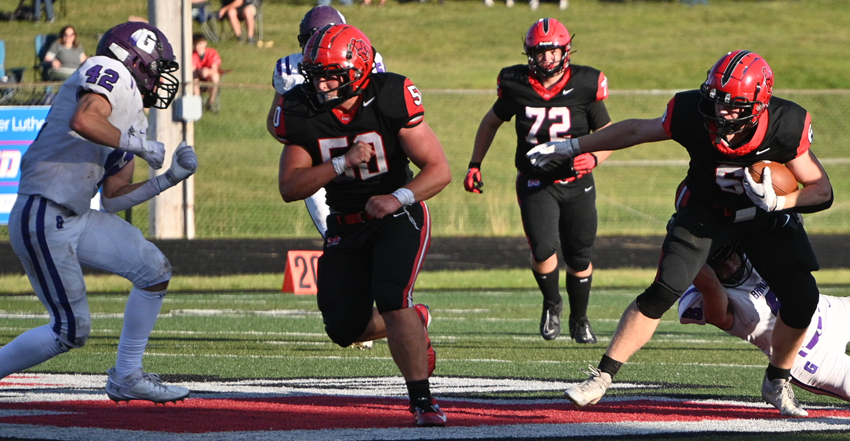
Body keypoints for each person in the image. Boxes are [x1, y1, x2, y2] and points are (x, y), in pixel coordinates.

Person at [530, 50, 834, 416]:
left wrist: (780, 202)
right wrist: (571, 145)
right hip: (706, 211)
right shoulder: (691, 110)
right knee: (663, 291)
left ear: (760, 101)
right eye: (718, 99)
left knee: (802, 297)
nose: (723, 111)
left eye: (735, 105)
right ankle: (602, 376)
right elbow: (636, 130)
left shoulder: (786, 123)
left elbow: (821, 189)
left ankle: (777, 380)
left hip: (762, 215)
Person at [0, 21, 196, 404]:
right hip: (43, 209)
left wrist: (170, 178)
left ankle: (127, 376)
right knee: (71, 330)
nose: (160, 81)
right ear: (135, 60)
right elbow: (84, 119)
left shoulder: (134, 114)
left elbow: (113, 196)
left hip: (75, 215)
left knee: (154, 271)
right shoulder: (108, 71)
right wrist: (135, 145)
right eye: (157, 69)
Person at [274, 24, 452, 426]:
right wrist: (340, 162)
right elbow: (290, 187)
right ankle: (415, 319)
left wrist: (396, 197)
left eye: (331, 73)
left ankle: (422, 401)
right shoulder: (301, 108)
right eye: (316, 73)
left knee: (391, 297)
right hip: (344, 222)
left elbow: (438, 170)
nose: (321, 83)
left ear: (358, 69)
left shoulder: (391, 95)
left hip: (397, 214)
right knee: (343, 327)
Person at [466, 18, 612, 343]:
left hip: (577, 181)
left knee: (579, 256)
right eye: (539, 53)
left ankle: (580, 318)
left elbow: (606, 134)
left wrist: (597, 157)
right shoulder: (515, 83)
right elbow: (490, 123)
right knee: (544, 248)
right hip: (535, 180)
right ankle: (552, 303)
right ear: (529, 54)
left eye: (552, 52)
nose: (546, 59)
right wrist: (475, 164)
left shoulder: (586, 83)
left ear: (566, 51)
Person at [679, 240, 850, 411]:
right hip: (811, 356)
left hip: (830, 310)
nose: (731, 267)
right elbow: (709, 285)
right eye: (721, 266)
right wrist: (687, 249)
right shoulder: (712, 297)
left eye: (731, 257)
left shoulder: (754, 247)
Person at [267, 5, 385, 239]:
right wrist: (301, 143)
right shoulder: (290, 68)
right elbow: (275, 121)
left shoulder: (364, 57)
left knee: (375, 223)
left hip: (362, 152)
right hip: (318, 157)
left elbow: (377, 108)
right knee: (333, 230)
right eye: (312, 38)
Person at [192, 33, 223, 112]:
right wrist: (199, 71)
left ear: (205, 43)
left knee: (215, 76)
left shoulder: (211, 53)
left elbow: (214, 68)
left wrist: (207, 71)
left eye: (200, 44)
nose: (197, 46)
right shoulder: (193, 55)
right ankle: (197, 103)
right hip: (197, 81)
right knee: (194, 76)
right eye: (195, 44)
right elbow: (192, 67)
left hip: (209, 82)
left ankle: (210, 103)